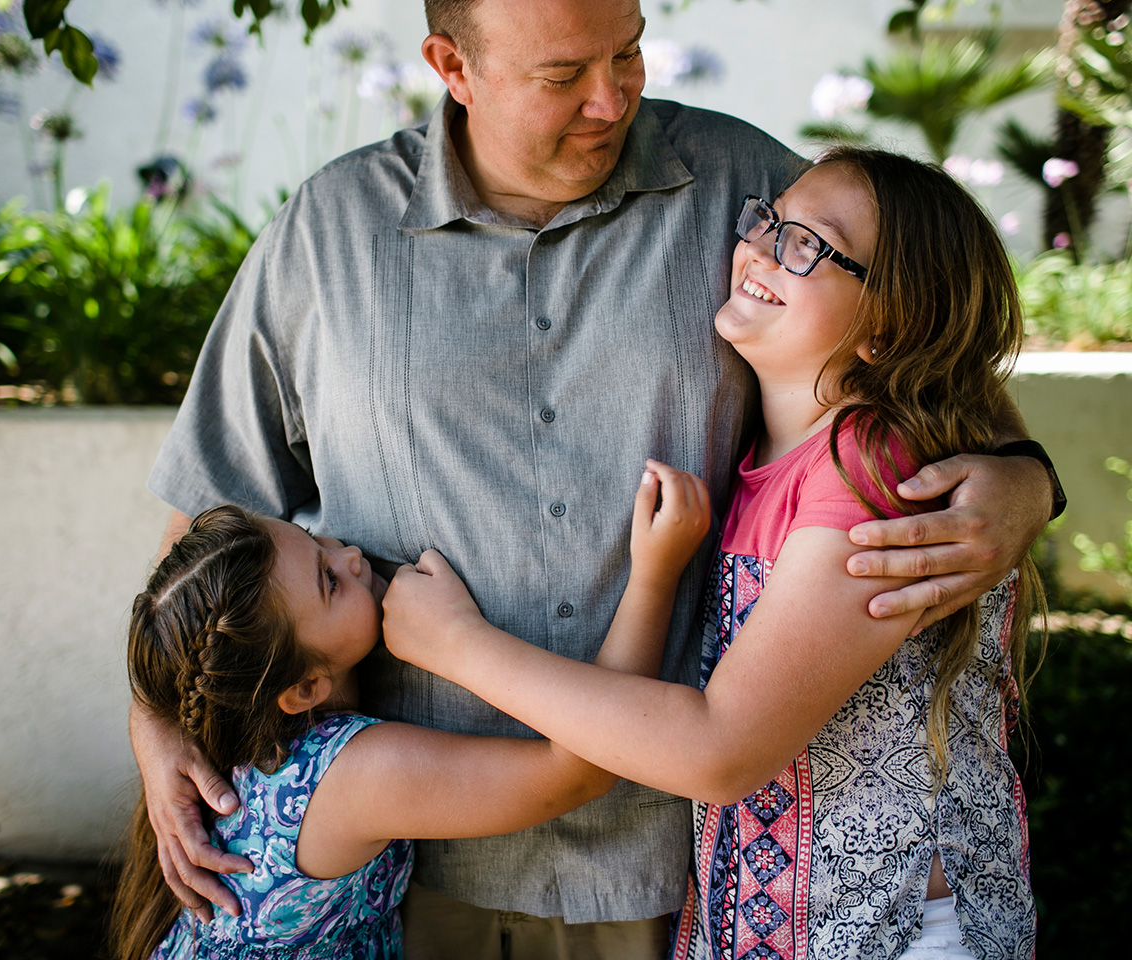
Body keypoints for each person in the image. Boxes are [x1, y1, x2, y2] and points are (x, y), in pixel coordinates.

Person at [134, 1, 1056, 955]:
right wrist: (158, 721)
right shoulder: (326, 234)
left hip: (678, 874)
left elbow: (927, 346)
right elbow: (209, 518)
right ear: (454, 65)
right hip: (418, 869)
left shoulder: (752, 190)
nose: (612, 99)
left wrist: (1025, 483)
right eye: (562, 74)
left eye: (628, 51)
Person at [382, 147, 1043, 959]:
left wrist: (457, 645)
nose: (759, 249)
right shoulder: (776, 457)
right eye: (768, 221)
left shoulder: (872, 470)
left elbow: (720, 749)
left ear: (889, 329)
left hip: (897, 935)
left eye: (809, 245)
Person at [112, 470, 709, 960]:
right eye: (328, 582)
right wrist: (655, 575)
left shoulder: (235, 732)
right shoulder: (352, 777)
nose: (349, 555)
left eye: (315, 539)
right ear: (305, 687)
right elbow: (583, 769)